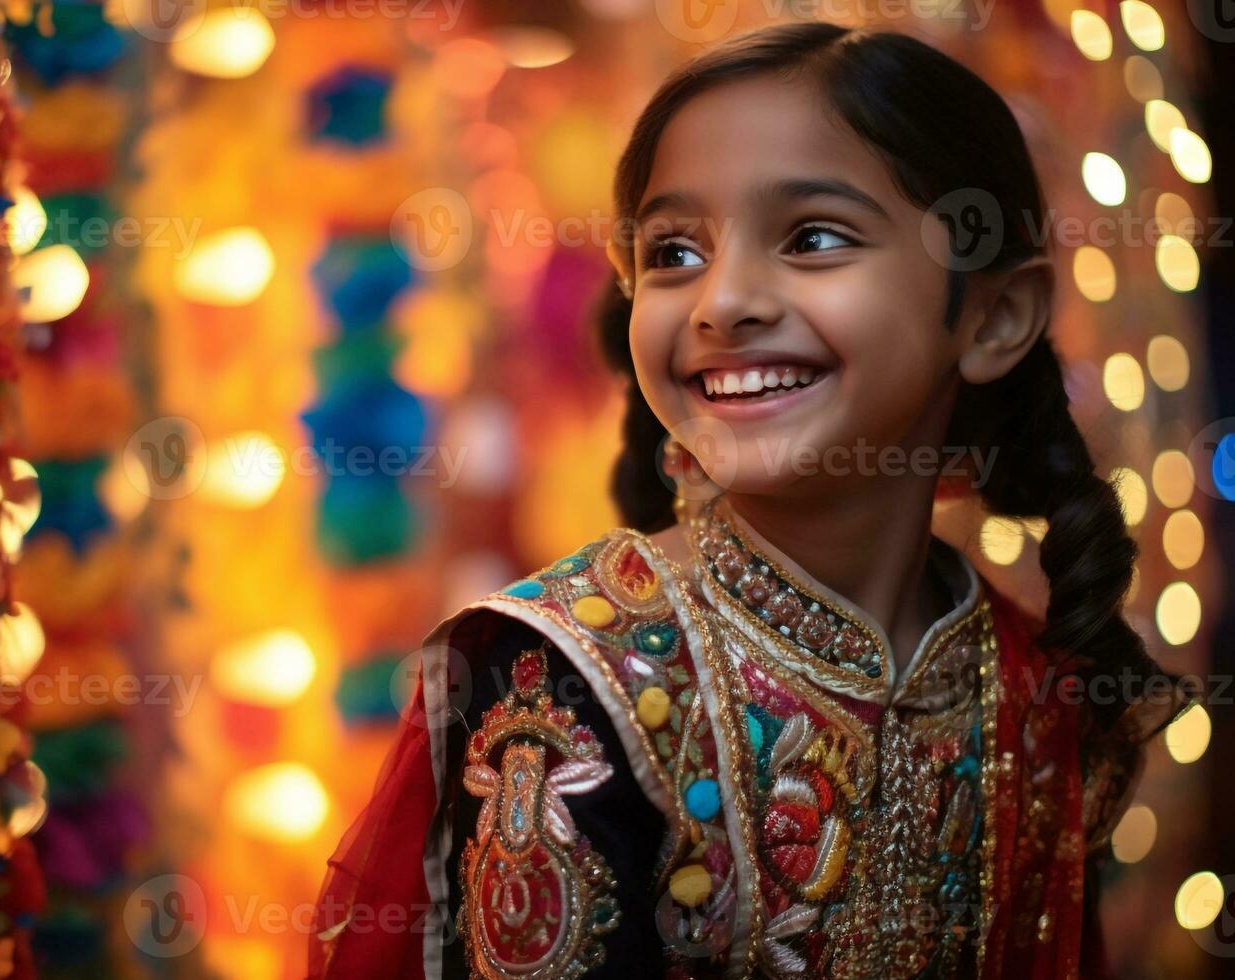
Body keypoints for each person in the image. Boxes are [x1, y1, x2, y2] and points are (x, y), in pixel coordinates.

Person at [309, 21, 1192, 979]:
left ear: (993, 317)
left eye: (813, 237)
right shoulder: (568, 677)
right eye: (674, 253)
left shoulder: (1032, 688)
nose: (721, 301)